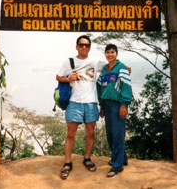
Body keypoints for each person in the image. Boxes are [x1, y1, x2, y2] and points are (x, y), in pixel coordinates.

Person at [56, 35, 106, 180]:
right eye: (81, 45)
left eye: (87, 45)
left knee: (90, 133)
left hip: (91, 102)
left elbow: (111, 63)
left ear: (89, 47)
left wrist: (123, 68)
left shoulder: (96, 62)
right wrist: (68, 78)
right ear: (77, 46)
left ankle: (87, 158)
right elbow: (58, 76)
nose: (84, 47)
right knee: (71, 133)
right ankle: (67, 162)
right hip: (74, 102)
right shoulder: (69, 62)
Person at [97, 44, 133, 178]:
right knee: (111, 135)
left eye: (112, 52)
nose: (110, 54)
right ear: (105, 54)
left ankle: (117, 166)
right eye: (107, 52)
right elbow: (100, 87)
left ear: (116, 53)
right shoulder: (105, 69)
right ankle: (122, 159)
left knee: (118, 134)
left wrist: (124, 104)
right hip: (107, 105)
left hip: (118, 105)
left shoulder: (121, 67)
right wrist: (102, 106)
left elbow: (126, 87)